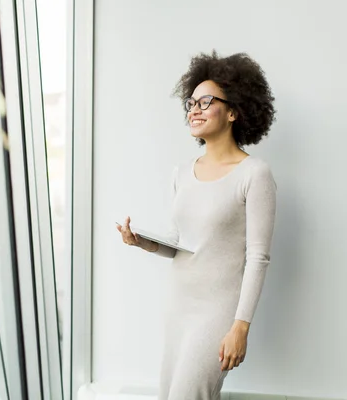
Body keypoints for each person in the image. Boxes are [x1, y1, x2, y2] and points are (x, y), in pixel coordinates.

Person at [116, 51, 277, 400]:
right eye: (191, 102)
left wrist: (240, 326)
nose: (194, 109)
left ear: (234, 111)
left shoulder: (255, 174)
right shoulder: (182, 172)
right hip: (179, 305)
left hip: (217, 312)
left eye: (206, 101)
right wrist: (141, 241)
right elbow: (182, 242)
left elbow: (258, 257)